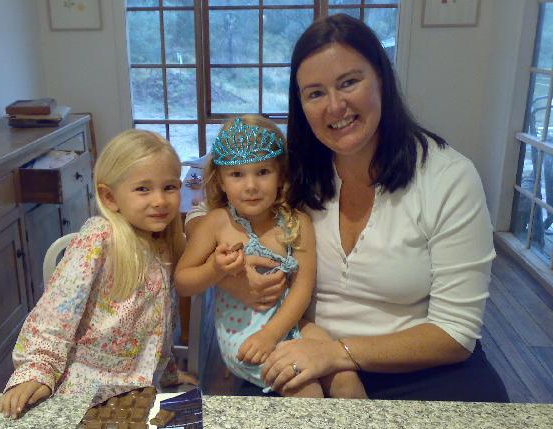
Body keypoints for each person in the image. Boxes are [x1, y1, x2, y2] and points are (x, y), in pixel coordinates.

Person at [187, 14, 508, 402]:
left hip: (421, 369)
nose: (335, 106)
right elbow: (206, 210)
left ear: (382, 80)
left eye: (349, 82)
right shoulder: (294, 170)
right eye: (315, 93)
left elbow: (455, 334)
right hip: (300, 355)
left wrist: (337, 353)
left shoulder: (448, 178)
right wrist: (229, 277)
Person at [0, 129, 196, 419]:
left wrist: (169, 374)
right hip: (84, 394)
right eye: (143, 189)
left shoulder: (166, 243)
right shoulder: (99, 238)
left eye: (169, 187)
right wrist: (38, 369)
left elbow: (159, 327)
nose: (159, 200)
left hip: (140, 394)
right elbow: (57, 310)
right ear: (110, 197)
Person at [176, 115, 363, 398]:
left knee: (344, 375)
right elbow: (183, 282)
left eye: (262, 171)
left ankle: (368, 428)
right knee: (305, 388)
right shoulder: (216, 223)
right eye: (237, 174)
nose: (251, 185)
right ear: (221, 181)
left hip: (288, 323)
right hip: (243, 334)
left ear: (281, 175)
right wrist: (215, 269)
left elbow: (302, 288)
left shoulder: (297, 223)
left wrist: (272, 333)